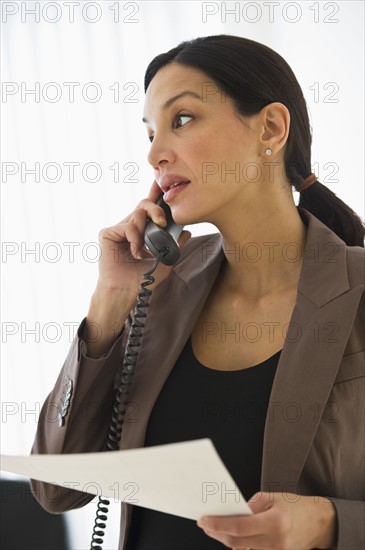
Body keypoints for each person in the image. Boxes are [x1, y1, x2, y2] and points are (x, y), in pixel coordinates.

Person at [31, 35, 365, 550]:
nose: (155, 153)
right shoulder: (158, 290)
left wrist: (329, 524)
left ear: (271, 128)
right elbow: (56, 489)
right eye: (148, 132)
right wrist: (109, 304)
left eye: (181, 119)